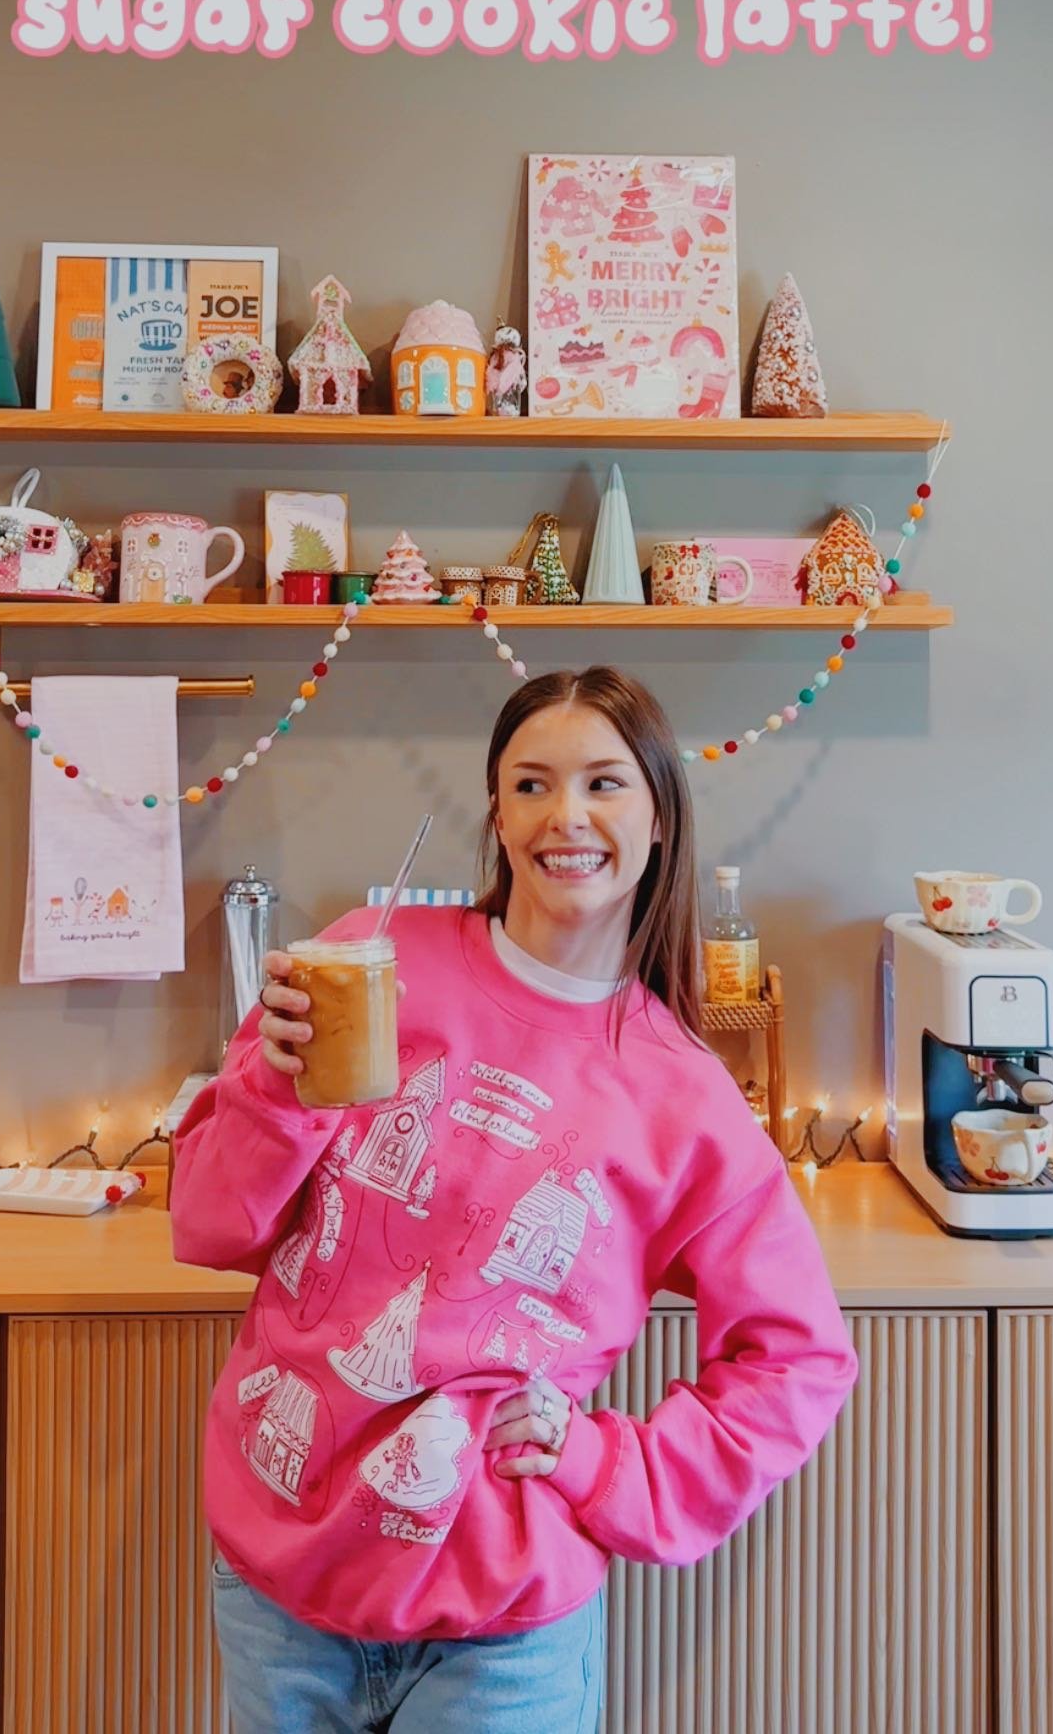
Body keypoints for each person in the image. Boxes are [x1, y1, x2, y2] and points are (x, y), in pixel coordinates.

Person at [172, 666, 857, 1732]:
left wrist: (607, 1461)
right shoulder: (364, 964)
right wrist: (272, 1088)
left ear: (661, 817)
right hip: (280, 1584)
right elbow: (212, 1223)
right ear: (497, 814)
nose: (565, 816)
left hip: (501, 1626)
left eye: (603, 783)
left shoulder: (681, 1095)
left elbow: (799, 1359)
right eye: (531, 784)